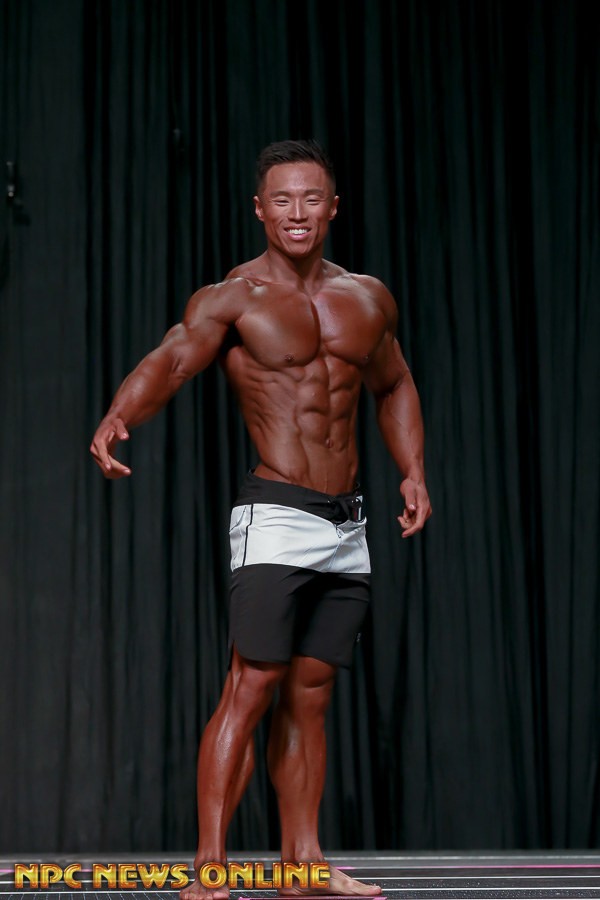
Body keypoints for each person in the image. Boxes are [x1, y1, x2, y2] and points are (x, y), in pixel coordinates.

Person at [90, 139, 431, 898]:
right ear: (260, 209)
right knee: (253, 683)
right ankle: (210, 869)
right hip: (275, 514)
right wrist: (120, 414)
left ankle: (302, 867)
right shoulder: (233, 297)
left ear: (333, 207)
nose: (297, 212)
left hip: (347, 523)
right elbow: (173, 360)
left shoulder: (367, 297)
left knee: (312, 694)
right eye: (282, 199)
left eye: (310, 198)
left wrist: (413, 470)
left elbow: (394, 382)